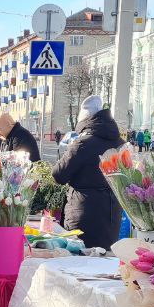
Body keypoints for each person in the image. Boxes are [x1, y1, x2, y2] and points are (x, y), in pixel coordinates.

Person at [51, 96, 123, 250]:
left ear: (84, 121)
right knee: (104, 261)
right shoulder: (121, 144)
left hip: (84, 213)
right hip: (112, 212)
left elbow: (58, 175)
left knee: (78, 261)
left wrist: (68, 152)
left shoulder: (82, 144)